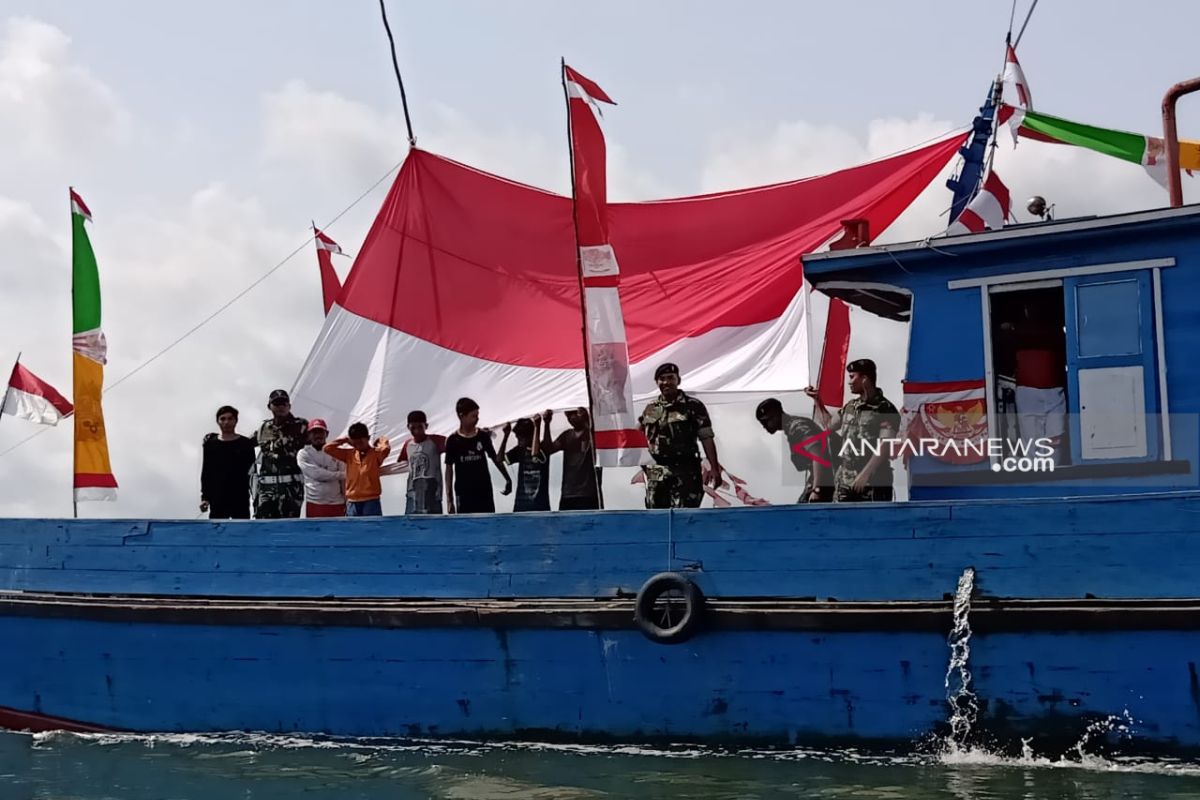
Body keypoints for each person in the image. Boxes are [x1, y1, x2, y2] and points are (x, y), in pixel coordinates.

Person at [806, 358, 900, 502]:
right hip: (845, 483)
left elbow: (885, 445)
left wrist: (865, 475)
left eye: (852, 377)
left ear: (864, 379)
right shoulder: (850, 406)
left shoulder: (885, 409)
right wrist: (818, 401)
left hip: (872, 483)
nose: (849, 382)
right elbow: (829, 425)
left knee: (871, 522)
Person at [638, 363, 722, 509]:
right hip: (657, 470)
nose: (666, 382)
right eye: (662, 379)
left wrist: (714, 468)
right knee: (657, 518)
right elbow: (639, 434)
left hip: (685, 469)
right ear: (657, 383)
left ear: (678, 380)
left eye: (670, 378)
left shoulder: (693, 406)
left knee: (685, 516)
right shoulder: (652, 408)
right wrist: (642, 463)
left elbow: (706, 438)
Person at [755, 398, 834, 503]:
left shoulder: (797, 427)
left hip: (827, 480)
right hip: (823, 478)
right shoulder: (792, 427)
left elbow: (818, 456)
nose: (764, 426)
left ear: (777, 414)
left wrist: (817, 490)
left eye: (767, 421)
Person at [444, 397, 512, 514]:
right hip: (464, 493)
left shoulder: (483, 436)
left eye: (477, 415)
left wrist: (507, 478)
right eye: (473, 416)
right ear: (462, 416)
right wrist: (450, 500)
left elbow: (495, 458)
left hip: (483, 491)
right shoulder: (452, 440)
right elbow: (449, 469)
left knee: (487, 526)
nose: (477, 419)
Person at [252, 389, 308, 519]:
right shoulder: (263, 428)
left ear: (289, 405)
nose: (281, 407)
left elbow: (319, 444)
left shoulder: (301, 426)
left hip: (291, 489)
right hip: (267, 489)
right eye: (277, 403)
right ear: (269, 406)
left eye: (284, 403)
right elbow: (242, 444)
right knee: (265, 528)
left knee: (289, 530)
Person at [199, 405, 256, 519]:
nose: (226, 422)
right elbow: (206, 472)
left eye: (230, 418)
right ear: (218, 421)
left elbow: (253, 473)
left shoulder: (246, 444)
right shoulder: (211, 444)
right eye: (223, 419)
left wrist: (256, 497)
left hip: (240, 496)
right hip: (218, 497)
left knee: (241, 531)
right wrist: (205, 498)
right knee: (218, 532)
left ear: (236, 421)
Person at [324, 422, 391, 517]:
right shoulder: (349, 455)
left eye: (361, 442)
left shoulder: (376, 454)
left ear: (368, 438)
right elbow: (327, 448)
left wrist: (380, 440)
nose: (358, 446)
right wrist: (345, 440)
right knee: (352, 531)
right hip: (352, 502)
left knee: (371, 530)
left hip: (371, 501)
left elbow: (386, 448)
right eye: (355, 443)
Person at [541, 407, 602, 510]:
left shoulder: (593, 433)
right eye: (567, 415)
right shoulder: (566, 436)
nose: (570, 418)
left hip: (589, 494)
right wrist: (547, 424)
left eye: (573, 414)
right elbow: (548, 450)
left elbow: (590, 441)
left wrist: (587, 419)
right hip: (568, 494)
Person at [398, 410, 445, 515]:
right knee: (412, 526)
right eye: (413, 428)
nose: (417, 431)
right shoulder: (407, 445)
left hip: (433, 493)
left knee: (433, 526)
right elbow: (401, 463)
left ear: (426, 426)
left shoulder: (435, 441)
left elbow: (454, 443)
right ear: (408, 427)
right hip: (412, 494)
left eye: (420, 427)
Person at [297, 418, 346, 517]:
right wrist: (341, 475)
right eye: (314, 432)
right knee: (315, 532)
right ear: (309, 435)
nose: (318, 435)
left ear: (326, 434)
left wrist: (346, 500)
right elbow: (317, 474)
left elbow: (344, 481)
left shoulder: (336, 452)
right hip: (315, 503)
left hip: (337, 503)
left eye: (321, 432)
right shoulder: (304, 453)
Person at [500, 416, 551, 513]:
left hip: (540, 507)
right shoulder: (519, 450)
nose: (518, 441)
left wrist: (537, 426)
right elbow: (499, 458)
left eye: (521, 437)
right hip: (521, 506)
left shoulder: (543, 449)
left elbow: (535, 454)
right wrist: (506, 436)